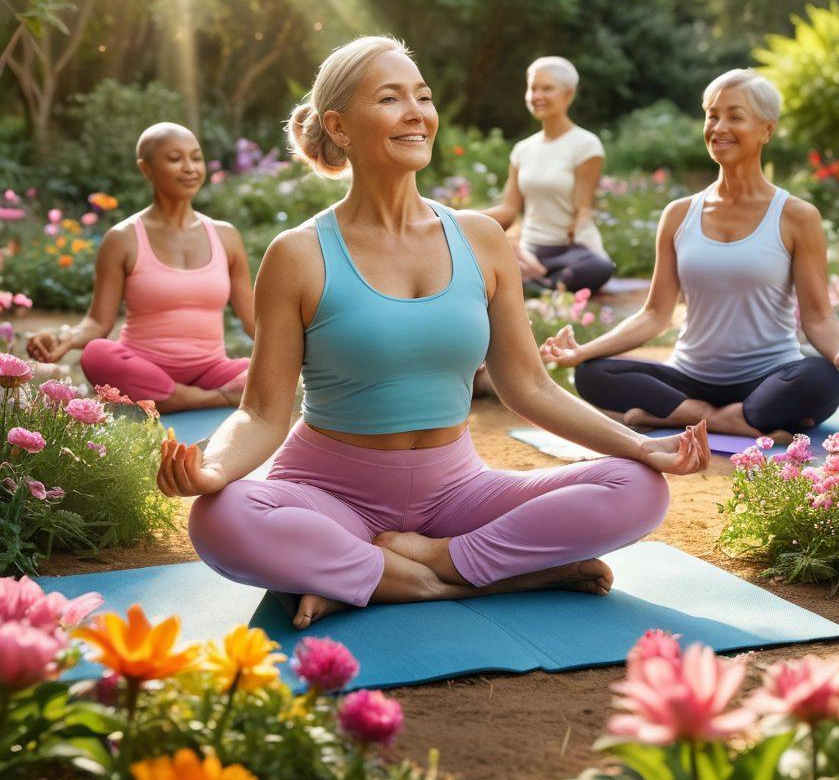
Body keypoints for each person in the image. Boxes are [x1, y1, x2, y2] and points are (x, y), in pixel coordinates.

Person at [157, 35, 710, 631]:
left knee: (637, 487)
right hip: (328, 495)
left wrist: (640, 446)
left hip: (457, 494)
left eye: (422, 96)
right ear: (339, 127)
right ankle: (461, 580)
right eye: (391, 98)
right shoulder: (298, 254)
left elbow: (530, 385)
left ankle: (401, 570)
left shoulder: (480, 238)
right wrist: (212, 470)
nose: (417, 112)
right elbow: (264, 411)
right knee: (221, 519)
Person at [541, 70, 839, 441]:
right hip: (689, 379)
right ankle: (726, 419)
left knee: (821, 378)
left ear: (766, 130)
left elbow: (818, 318)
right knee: (591, 372)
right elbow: (655, 314)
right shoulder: (679, 214)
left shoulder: (797, 216)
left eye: (735, 116)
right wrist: (583, 350)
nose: (719, 127)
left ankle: (675, 417)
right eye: (712, 115)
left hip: (767, 378)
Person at [26, 123, 255, 413]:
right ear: (146, 169)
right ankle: (207, 399)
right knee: (96, 355)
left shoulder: (226, 236)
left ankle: (169, 400)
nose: (190, 168)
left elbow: (252, 319)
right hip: (142, 366)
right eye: (175, 159)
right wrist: (63, 339)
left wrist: (297, 351)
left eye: (195, 158)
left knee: (260, 371)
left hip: (210, 371)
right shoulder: (123, 238)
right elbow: (98, 322)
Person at [483, 56, 614, 293]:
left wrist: (582, 242)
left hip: (571, 250)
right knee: (491, 261)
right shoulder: (523, 149)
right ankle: (545, 282)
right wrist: (459, 218)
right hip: (532, 249)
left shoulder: (586, 145)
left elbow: (583, 209)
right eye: (533, 88)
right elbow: (509, 211)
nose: (537, 96)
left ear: (568, 93)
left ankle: (538, 283)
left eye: (547, 88)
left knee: (600, 266)